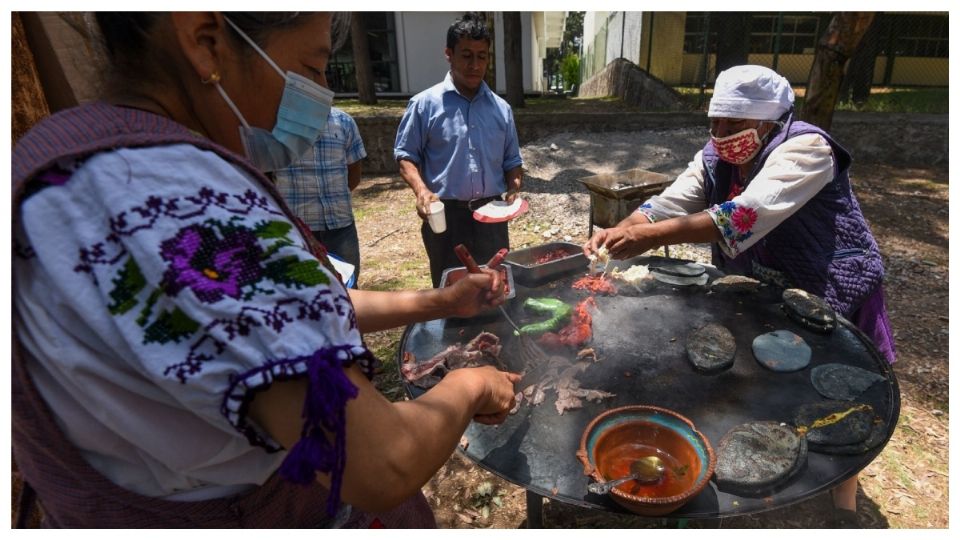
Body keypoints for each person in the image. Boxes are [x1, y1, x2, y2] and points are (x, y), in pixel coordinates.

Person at [12, 12, 519, 528]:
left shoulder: (59, 159)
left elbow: (278, 312)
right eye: (312, 67)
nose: (320, 95)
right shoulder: (178, 199)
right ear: (205, 42)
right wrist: (473, 385)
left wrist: (439, 301)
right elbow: (380, 463)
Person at [583, 65, 895, 527]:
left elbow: (742, 215)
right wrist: (618, 232)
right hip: (764, 289)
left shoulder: (808, 149)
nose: (720, 135)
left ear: (768, 122)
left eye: (733, 126)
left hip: (829, 286)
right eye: (715, 123)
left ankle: (842, 505)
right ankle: (767, 456)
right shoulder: (715, 157)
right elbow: (666, 204)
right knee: (774, 378)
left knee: (838, 391)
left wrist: (651, 239)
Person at [394, 12, 524, 287]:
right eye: (466, 55)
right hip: (446, 218)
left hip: (492, 216)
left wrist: (514, 186)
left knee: (494, 290)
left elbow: (513, 160)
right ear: (449, 54)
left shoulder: (502, 110)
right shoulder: (424, 104)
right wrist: (422, 191)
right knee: (449, 293)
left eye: (482, 56)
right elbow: (405, 156)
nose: (475, 65)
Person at [275, 106, 366, 287]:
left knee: (349, 288)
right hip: (297, 230)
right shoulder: (275, 123)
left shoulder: (344, 121)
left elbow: (354, 171)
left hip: (340, 226)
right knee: (303, 289)